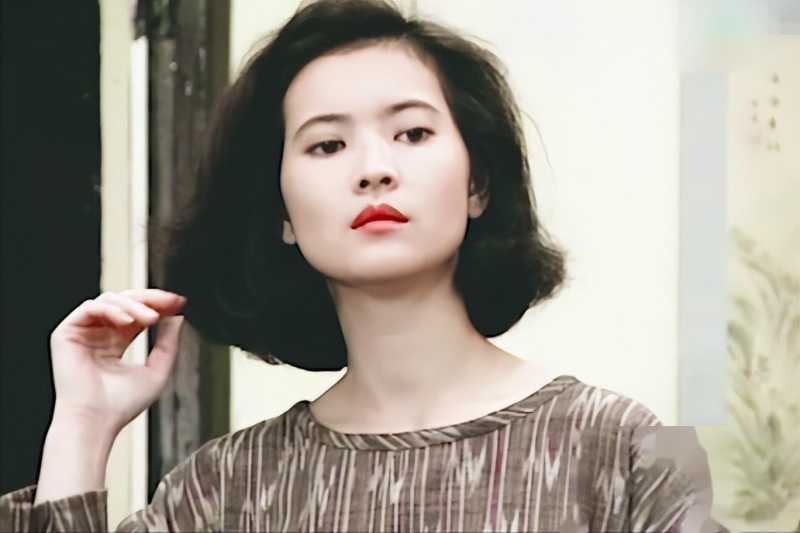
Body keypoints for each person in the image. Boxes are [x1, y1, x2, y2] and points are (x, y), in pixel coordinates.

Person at [0, 0, 727, 531]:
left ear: (477, 184)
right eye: (327, 145)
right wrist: (82, 425)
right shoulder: (225, 490)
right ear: (282, 214)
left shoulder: (621, 449)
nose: (375, 168)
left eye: (411, 133)